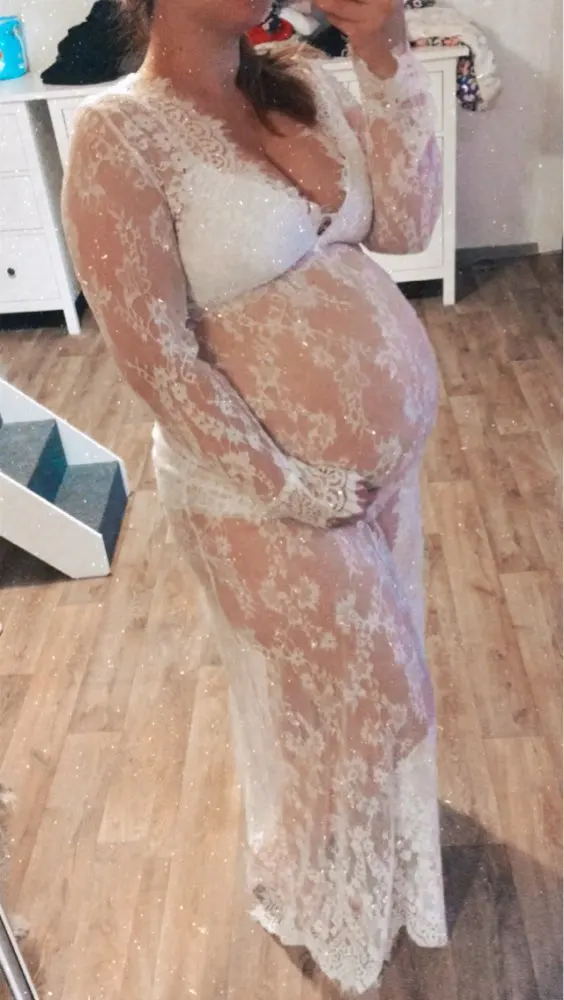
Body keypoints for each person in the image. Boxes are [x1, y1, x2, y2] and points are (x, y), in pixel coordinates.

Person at [62, 0, 448, 993]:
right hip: (256, 491)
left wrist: (382, 52)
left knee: (329, 702)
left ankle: (342, 873)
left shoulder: (300, 81)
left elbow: (406, 226)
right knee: (385, 703)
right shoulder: (119, 134)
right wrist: (293, 484)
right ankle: (306, 874)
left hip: (373, 476)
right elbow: (156, 359)